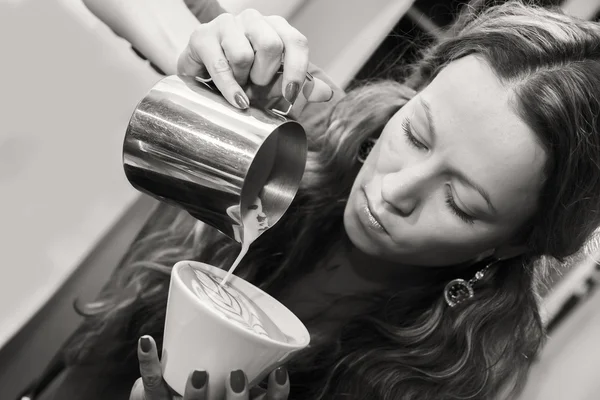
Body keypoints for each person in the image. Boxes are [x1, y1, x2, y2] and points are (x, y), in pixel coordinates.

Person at [43, 0, 600, 399]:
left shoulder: (459, 373)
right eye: (415, 134)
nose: (392, 191)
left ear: (514, 244)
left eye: (460, 202)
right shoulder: (299, 132)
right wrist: (204, 55)